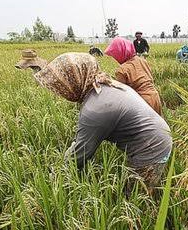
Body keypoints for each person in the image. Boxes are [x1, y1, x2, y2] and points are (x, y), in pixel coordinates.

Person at [19, 52, 173, 193]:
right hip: (159, 136)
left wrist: (54, 177)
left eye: (61, 86)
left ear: (74, 82)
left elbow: (80, 153)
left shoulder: (95, 108)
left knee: (134, 197)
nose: (60, 92)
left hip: (152, 148)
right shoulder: (107, 85)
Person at [105, 37, 163, 115]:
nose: (116, 59)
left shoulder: (122, 70)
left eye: (115, 55)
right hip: (155, 97)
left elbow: (121, 93)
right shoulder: (142, 60)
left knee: (144, 126)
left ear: (120, 53)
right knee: (157, 125)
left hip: (142, 102)